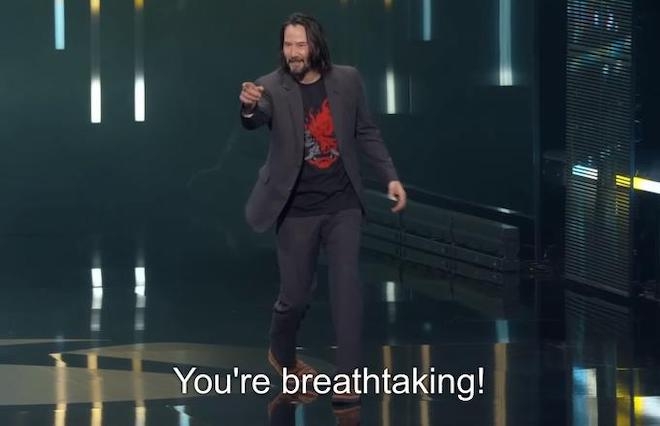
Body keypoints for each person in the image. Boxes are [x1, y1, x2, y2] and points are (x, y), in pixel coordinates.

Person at [238, 12, 406, 402]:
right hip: (296, 207)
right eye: (288, 45)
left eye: (300, 45)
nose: (293, 53)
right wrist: (248, 106)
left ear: (315, 45)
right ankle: (282, 353)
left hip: (343, 203)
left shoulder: (348, 80)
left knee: (347, 288)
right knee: (295, 297)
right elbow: (255, 118)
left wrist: (390, 177)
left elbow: (366, 131)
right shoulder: (269, 87)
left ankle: (347, 379)